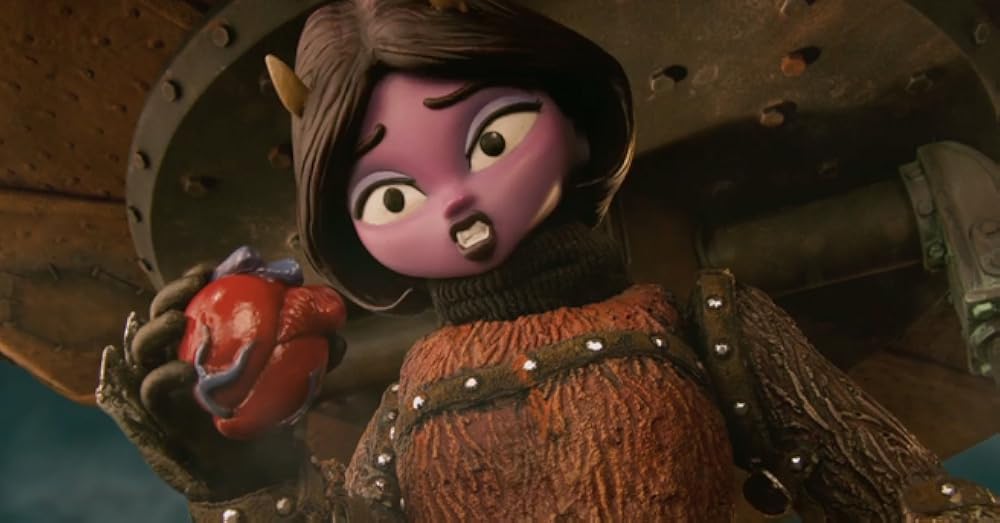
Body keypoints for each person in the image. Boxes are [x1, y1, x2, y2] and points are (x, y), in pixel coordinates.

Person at [97, 0, 1000, 520]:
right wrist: (250, 481)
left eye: (491, 139)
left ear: (577, 127)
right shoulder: (411, 399)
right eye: (392, 196)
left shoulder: (709, 327)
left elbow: (906, 495)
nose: (453, 201)